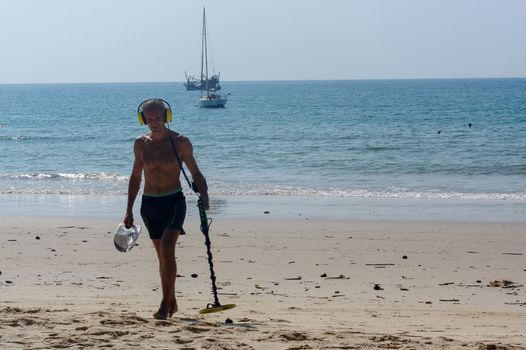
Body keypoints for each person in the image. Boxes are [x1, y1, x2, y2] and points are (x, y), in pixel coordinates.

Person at [123, 98, 209, 320]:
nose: (153, 122)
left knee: (167, 249)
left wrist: (205, 196)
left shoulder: (180, 142)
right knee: (162, 257)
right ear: (143, 119)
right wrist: (129, 210)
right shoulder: (141, 144)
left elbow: (195, 172)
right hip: (150, 204)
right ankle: (172, 300)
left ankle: (164, 305)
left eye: (157, 118)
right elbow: (135, 177)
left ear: (167, 117)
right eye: (149, 118)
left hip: (173, 201)